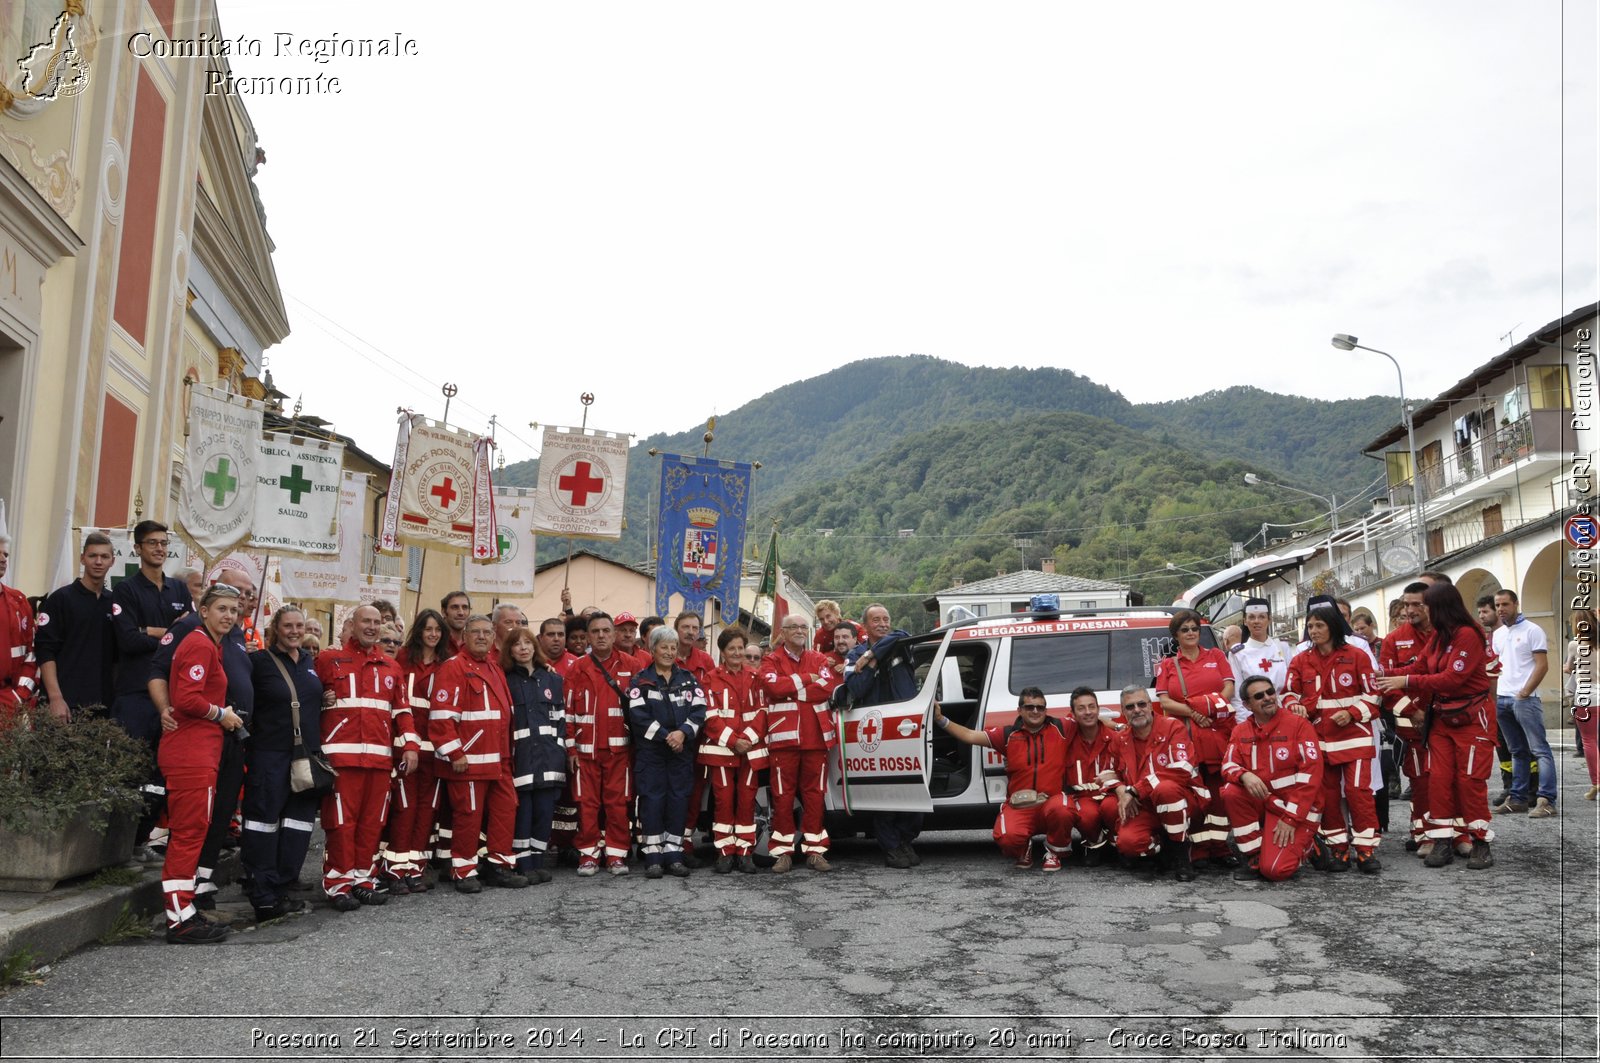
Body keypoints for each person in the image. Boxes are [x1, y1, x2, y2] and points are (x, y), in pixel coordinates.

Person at [149, 567, 256, 910]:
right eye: (222, 607)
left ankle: (192, 900)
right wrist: (218, 713)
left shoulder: (224, 640)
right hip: (193, 745)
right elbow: (183, 695)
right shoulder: (194, 636)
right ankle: (180, 913)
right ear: (204, 609)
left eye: (235, 608)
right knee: (190, 829)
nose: (230, 614)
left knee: (205, 823)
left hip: (213, 745)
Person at [1376, 582, 1496, 869]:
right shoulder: (1440, 637)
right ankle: (1442, 841)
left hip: (1471, 718)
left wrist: (1403, 681)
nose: (1418, 611)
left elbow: (1451, 679)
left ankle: (1480, 841)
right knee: (1438, 780)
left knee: (1469, 781)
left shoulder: (1468, 634)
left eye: (1424, 605)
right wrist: (1381, 675)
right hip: (1443, 719)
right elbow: (1418, 668)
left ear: (1441, 607)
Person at [315, 604, 421, 909]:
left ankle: (363, 879)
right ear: (352, 624)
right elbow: (308, 697)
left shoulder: (391, 667)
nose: (372, 627)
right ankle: (338, 883)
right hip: (341, 762)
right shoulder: (328, 659)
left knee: (372, 823)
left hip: (378, 762)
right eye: (366, 621)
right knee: (341, 824)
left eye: (377, 622)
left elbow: (403, 712)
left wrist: (410, 747)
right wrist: (321, 700)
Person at [110, 522, 193, 852]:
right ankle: (119, 846)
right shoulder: (125, 591)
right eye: (152, 543)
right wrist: (166, 633)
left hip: (172, 697)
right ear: (138, 549)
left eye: (163, 543)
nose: (159, 548)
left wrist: (151, 631)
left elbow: (189, 635)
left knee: (162, 774)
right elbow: (128, 640)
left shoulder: (179, 590)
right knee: (132, 770)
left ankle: (142, 839)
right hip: (135, 695)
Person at [430, 615, 528, 891]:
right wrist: (455, 753)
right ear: (464, 637)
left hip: (500, 760)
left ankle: (498, 866)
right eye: (476, 632)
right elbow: (441, 719)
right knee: (468, 816)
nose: (482, 637)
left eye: (487, 632)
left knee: (505, 811)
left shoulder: (495, 668)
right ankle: (463, 870)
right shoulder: (453, 668)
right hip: (470, 762)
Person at [1283, 604, 1381, 873]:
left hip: (1355, 738)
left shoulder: (1357, 655)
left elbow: (1374, 696)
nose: (1313, 631)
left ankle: (1365, 850)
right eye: (1310, 626)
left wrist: (1351, 713)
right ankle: (1338, 849)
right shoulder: (1301, 660)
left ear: (1333, 626)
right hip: (1318, 740)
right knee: (1326, 795)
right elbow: (1287, 693)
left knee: (1357, 792)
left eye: (1319, 626)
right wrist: (1295, 707)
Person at [935, 687, 1073, 871]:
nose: (1035, 711)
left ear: (1046, 710)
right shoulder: (1008, 735)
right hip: (1021, 804)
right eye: (1030, 707)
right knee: (1006, 839)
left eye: (1040, 707)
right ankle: (1023, 846)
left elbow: (1089, 718)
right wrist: (940, 719)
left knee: (1063, 809)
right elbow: (969, 736)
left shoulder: (1061, 728)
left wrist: (1118, 726)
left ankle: (1054, 852)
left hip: (1051, 802)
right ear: (1020, 710)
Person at [241, 606, 321, 921]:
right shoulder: (258, 662)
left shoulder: (311, 662)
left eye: (299, 626)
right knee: (263, 824)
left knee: (299, 826)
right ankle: (262, 894)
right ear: (275, 628)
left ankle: (283, 887)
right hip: (269, 755)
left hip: (305, 757)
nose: (294, 631)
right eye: (288, 625)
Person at [758, 613, 841, 872]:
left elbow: (827, 687)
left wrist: (793, 692)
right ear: (782, 633)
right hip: (784, 740)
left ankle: (815, 850)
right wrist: (807, 679)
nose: (800, 631)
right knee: (782, 796)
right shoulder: (771, 659)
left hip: (816, 737)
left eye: (804, 627)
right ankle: (783, 852)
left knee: (815, 794)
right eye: (794, 627)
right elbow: (773, 689)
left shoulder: (817, 658)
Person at [842, 604, 923, 868]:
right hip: (875, 729)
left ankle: (905, 840)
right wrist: (871, 662)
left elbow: (902, 634)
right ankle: (891, 846)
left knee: (913, 790)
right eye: (875, 620)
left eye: (886, 619)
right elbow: (856, 687)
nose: (882, 623)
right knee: (885, 791)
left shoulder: (900, 642)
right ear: (864, 626)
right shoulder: (855, 654)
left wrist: (874, 653)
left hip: (906, 727)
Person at [1221, 677, 1325, 882]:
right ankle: (1255, 856)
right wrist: (1244, 775)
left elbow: (1311, 775)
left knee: (1276, 871)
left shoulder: (1298, 725)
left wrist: (1291, 819)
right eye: (1259, 696)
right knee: (1230, 791)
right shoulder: (1241, 730)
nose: (1268, 698)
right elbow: (1227, 765)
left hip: (1295, 809)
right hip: (1267, 802)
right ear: (1247, 705)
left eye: (1270, 692)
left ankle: (1310, 845)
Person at [566, 611, 646, 876]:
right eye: (595, 631)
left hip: (619, 750)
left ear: (613, 635)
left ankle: (616, 855)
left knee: (618, 803)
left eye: (606, 631)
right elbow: (567, 712)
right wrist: (571, 748)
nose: (601, 635)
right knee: (587, 804)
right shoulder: (577, 667)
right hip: (585, 750)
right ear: (588, 636)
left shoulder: (632, 665)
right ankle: (588, 854)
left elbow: (640, 709)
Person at [1152, 609, 1234, 866]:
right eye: (1185, 629)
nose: (1191, 633)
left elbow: (1229, 688)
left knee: (1219, 791)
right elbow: (1164, 700)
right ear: (1176, 635)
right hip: (1186, 736)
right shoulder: (1168, 664)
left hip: (1217, 730)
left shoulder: (1217, 655)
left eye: (1195, 628)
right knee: (1196, 791)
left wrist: (1207, 708)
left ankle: (1220, 848)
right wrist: (1195, 713)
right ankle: (1198, 848)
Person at [626, 626, 706, 878]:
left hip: (681, 752)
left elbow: (700, 710)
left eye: (673, 648)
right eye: (664, 647)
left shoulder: (689, 679)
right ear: (652, 650)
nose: (670, 652)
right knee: (652, 800)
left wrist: (682, 733)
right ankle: (653, 855)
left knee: (678, 800)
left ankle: (673, 853)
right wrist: (667, 737)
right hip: (652, 753)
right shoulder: (641, 680)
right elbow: (637, 716)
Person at [383, 608, 451, 894]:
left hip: (434, 753)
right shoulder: (402, 660)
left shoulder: (446, 665)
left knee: (427, 811)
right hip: (404, 751)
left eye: (437, 629)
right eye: (428, 628)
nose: (433, 634)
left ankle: (415, 868)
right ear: (418, 631)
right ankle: (395, 870)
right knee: (404, 809)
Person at [1108, 684, 1205, 881]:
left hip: (1184, 801)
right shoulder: (1121, 739)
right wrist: (1120, 789)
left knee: (1165, 788)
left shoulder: (1172, 727)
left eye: (1141, 704)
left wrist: (1136, 789)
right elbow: (1109, 772)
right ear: (1123, 712)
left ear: (1151, 706)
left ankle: (1181, 854)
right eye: (1130, 707)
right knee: (1129, 843)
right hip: (1145, 806)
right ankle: (1165, 846)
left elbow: (1183, 769)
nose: (1136, 710)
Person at [697, 626, 767, 873]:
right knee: (724, 801)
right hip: (722, 751)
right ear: (723, 652)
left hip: (749, 750)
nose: (737, 653)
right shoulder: (710, 678)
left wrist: (746, 738)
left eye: (740, 648)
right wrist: (732, 741)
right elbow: (709, 716)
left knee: (747, 801)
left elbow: (763, 712)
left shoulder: (755, 677)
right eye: (732, 649)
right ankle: (725, 853)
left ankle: (745, 853)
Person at [503, 624, 566, 882]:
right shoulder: (505, 679)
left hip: (549, 758)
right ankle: (523, 864)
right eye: (517, 644)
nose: (523, 648)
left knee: (544, 812)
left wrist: (560, 750)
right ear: (510, 650)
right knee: (523, 813)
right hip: (522, 758)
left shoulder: (552, 679)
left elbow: (561, 719)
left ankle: (538, 862)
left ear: (534, 646)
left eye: (527, 643)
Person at [35, 531, 118, 720]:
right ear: (82, 559)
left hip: (101, 706)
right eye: (92, 556)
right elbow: (45, 651)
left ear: (112, 561)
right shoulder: (61, 599)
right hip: (64, 705)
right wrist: (55, 698)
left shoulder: (113, 602)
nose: (98, 561)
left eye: (104, 556)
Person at [1488, 589, 1553, 819]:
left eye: (1505, 604)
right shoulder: (1498, 634)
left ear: (1516, 604)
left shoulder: (1532, 630)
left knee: (1540, 750)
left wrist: (1525, 692)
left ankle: (1547, 800)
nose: (1500, 609)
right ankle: (1518, 798)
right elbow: (1496, 664)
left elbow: (1542, 665)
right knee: (1516, 751)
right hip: (1503, 699)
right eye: (1497, 605)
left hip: (1525, 699)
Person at [1059, 686, 1121, 865]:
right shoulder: (1066, 740)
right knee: (1087, 815)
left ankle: (1118, 843)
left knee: (1112, 808)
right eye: (1081, 708)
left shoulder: (1115, 738)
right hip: (1083, 797)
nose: (1088, 712)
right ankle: (1095, 844)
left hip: (1110, 794)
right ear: (1073, 713)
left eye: (1092, 707)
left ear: (1098, 709)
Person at [1477, 593, 1519, 803]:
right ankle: (1508, 785)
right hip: (1493, 699)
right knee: (1501, 745)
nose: (1482, 616)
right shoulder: (1483, 638)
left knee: (1520, 745)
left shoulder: (1508, 634)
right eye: (1480, 612)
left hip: (1512, 694)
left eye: (1486, 611)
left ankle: (1529, 786)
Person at [1227, 598, 1293, 721]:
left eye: (1262, 617)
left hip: (1285, 715)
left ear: (1269, 619)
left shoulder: (1282, 647)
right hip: (1255, 719)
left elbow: (1293, 685)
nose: (1256, 621)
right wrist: (1246, 725)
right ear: (1245, 621)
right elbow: (1237, 696)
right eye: (1251, 617)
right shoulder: (1238, 653)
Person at [0, 531, 37, 719]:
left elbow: (31, 654)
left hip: (8, 702)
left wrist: (20, 694)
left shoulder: (19, 601)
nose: (3, 559)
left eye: (5, 554)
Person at [1564, 608, 1598, 800]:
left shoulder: (1574, 645)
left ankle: (1596, 783)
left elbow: (1569, 668)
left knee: (1589, 742)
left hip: (1586, 697)